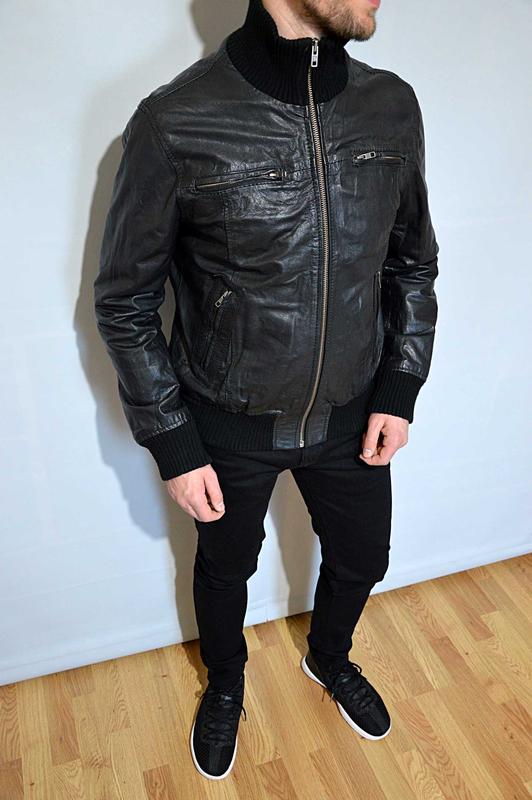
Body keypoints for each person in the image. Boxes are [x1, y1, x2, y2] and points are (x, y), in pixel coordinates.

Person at [94, 0, 439, 781]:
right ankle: (225, 682)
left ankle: (330, 657)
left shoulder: (391, 106)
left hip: (354, 416)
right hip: (227, 423)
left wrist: (400, 386)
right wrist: (174, 442)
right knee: (225, 572)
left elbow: (412, 264)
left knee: (364, 558)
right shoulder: (176, 121)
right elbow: (124, 301)